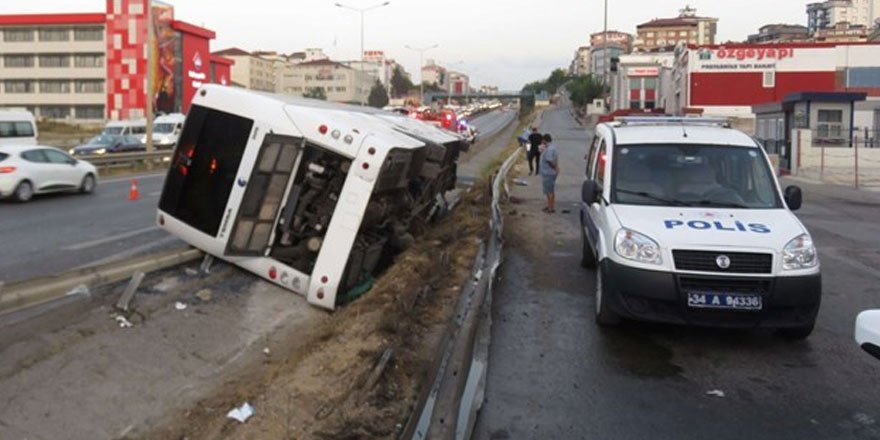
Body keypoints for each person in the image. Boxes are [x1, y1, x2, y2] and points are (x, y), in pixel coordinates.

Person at [539, 133, 560, 213]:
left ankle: (551, 208)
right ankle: (549, 206)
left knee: (550, 191)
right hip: (548, 172)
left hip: (549, 173)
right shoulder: (549, 148)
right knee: (548, 191)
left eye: (542, 140)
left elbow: (549, 160)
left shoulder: (549, 149)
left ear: (545, 140)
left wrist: (555, 168)